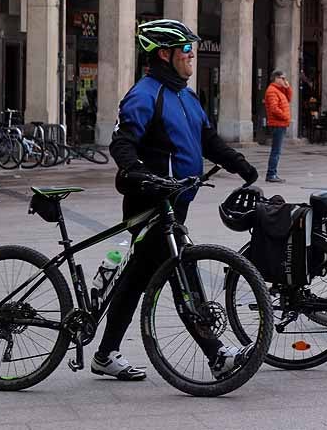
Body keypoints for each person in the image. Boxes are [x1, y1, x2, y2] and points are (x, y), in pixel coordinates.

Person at [97, 19, 259, 381]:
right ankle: (216, 354)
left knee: (141, 276)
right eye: (187, 50)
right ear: (164, 54)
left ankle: (105, 354)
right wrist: (136, 170)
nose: (192, 57)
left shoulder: (186, 96)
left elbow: (207, 139)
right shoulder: (145, 93)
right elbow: (122, 141)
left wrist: (239, 164)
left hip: (177, 199)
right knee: (180, 270)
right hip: (150, 199)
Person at [263, 69, 292, 183]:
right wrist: (285, 116)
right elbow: (274, 109)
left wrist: (287, 87)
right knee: (276, 151)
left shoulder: (279, 90)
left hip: (281, 123)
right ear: (276, 78)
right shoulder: (272, 91)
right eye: (283, 78)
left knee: (277, 150)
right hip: (278, 124)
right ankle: (271, 174)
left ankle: (272, 173)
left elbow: (289, 98)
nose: (285, 80)